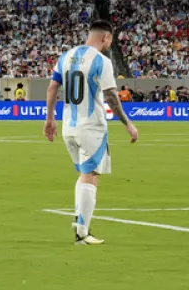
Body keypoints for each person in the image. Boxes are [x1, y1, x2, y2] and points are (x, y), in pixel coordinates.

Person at [44, 20, 138, 246]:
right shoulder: (101, 61)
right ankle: (82, 233)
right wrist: (127, 123)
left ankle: (80, 222)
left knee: (85, 174)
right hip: (91, 127)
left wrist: (49, 120)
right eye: (111, 40)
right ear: (105, 37)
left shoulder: (65, 56)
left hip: (69, 127)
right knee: (92, 175)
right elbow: (111, 96)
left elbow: (52, 87)